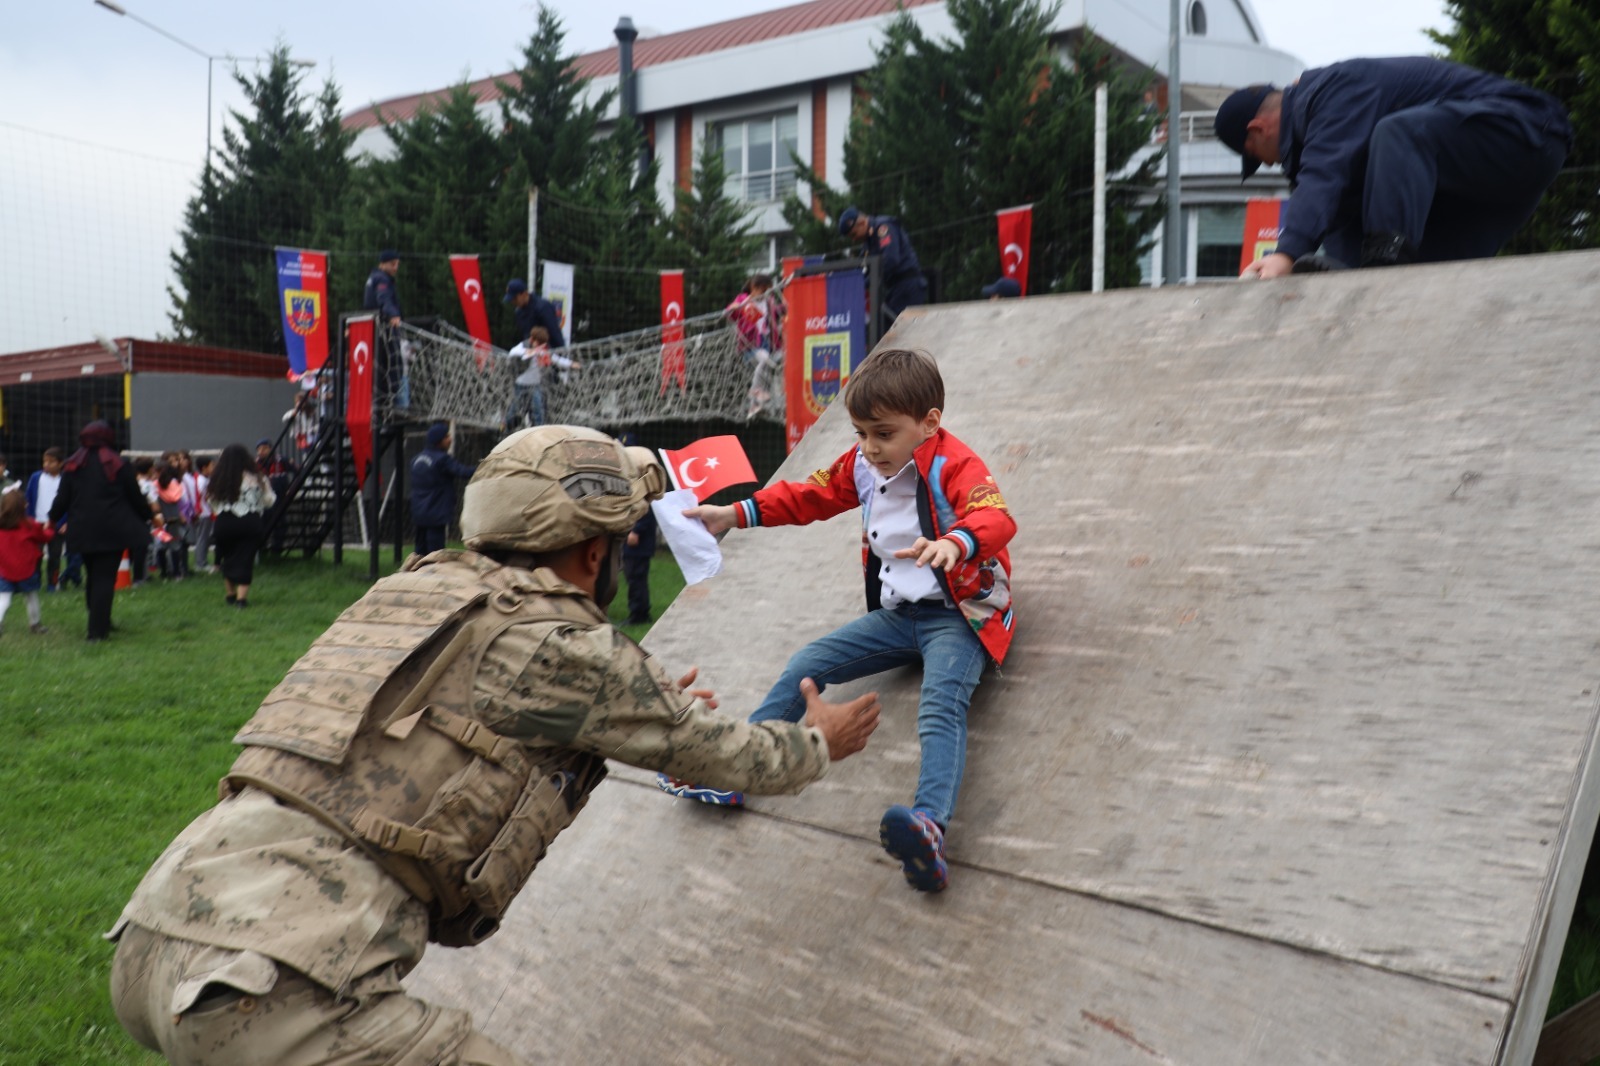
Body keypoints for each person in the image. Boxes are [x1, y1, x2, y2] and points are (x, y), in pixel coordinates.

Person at [106, 425, 882, 1066]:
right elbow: (726, 756)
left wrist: (616, 711)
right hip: (280, 983)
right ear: (592, 554)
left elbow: (442, 732)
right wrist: (818, 741)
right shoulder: (569, 647)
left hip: (159, 930)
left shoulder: (415, 590)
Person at [661, 348, 1016, 894]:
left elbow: (996, 516)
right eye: (861, 433)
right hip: (900, 617)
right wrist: (733, 512)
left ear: (929, 424)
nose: (870, 447)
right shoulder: (862, 465)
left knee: (941, 703)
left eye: (882, 433)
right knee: (806, 663)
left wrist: (956, 541)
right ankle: (734, 770)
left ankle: (929, 827)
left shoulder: (955, 464)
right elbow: (810, 495)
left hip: (960, 616)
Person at [1215, 57, 1572, 278]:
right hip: (1478, 191)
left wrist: (1285, 254)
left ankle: (1384, 271)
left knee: (1399, 133)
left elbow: (1323, 175)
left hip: (1525, 131)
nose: (1270, 162)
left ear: (1257, 129)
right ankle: (1374, 281)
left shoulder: (1330, 93)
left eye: (1259, 155)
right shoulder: (1334, 133)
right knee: (1427, 273)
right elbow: (1332, 206)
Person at [48, 421, 153, 642]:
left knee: (93, 576)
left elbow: (62, 499)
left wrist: (52, 519)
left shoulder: (71, 465)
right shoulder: (119, 464)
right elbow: (135, 496)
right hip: (113, 529)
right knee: (105, 578)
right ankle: (97, 631)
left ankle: (100, 620)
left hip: (83, 529)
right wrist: (148, 516)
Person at [207, 443, 275, 609]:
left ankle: (230, 594)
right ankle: (241, 599)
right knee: (246, 559)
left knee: (227, 558)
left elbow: (211, 501)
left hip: (224, 523)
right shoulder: (258, 478)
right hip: (250, 523)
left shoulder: (218, 479)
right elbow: (269, 500)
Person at [838, 205, 928, 321]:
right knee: (884, 329)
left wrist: (867, 282)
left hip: (907, 286)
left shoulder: (883, 228)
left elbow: (891, 260)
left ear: (862, 223)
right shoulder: (868, 241)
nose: (854, 240)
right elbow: (862, 267)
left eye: (854, 234)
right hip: (895, 289)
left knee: (894, 332)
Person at [724, 273, 786, 419]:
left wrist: (785, 304)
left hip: (768, 343)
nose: (765, 294)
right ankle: (754, 395)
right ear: (754, 288)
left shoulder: (768, 302)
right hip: (750, 345)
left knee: (778, 363)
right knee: (765, 361)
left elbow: (777, 313)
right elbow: (730, 313)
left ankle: (766, 401)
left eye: (767, 291)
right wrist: (735, 307)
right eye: (762, 291)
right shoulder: (743, 300)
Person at [409, 421, 476, 557]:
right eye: (446, 437)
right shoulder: (442, 460)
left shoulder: (416, 460)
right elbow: (463, 472)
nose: (450, 439)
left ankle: (417, 574)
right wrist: (485, 466)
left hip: (419, 512)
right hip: (436, 512)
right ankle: (433, 575)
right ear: (438, 440)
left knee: (420, 550)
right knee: (436, 553)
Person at [0, 488, 52, 637]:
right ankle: (35, 624)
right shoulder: (29, 525)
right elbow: (44, 537)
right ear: (23, 506)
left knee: (3, 599)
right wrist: (50, 530)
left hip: (4, 570)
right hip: (26, 570)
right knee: (31, 596)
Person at [364, 250, 407, 409]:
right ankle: (394, 405)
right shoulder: (382, 279)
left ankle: (384, 405)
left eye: (397, 264)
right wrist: (393, 314)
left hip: (375, 331)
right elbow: (384, 299)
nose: (396, 267)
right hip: (383, 331)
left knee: (381, 369)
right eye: (392, 264)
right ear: (383, 264)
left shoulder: (373, 278)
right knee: (392, 365)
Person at [25, 447, 67, 590]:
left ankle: (53, 583)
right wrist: (29, 521)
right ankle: (34, 582)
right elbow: (28, 500)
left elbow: (70, 502)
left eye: (51, 462)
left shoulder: (65, 479)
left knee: (55, 557)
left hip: (56, 524)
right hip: (37, 524)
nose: (46, 464)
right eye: (44, 461)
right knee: (35, 555)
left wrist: (65, 522)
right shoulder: (36, 477)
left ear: (60, 464)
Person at [503, 277, 567, 349]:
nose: (513, 301)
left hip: (549, 353)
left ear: (524, 293)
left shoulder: (543, 307)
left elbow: (554, 334)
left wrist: (560, 354)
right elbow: (525, 336)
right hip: (530, 353)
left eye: (515, 298)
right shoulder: (519, 312)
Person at [622, 505, 656, 626]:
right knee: (634, 578)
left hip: (638, 545)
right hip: (634, 544)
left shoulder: (643, 494)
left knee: (636, 578)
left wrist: (636, 531)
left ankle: (639, 615)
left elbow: (645, 510)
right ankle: (639, 613)